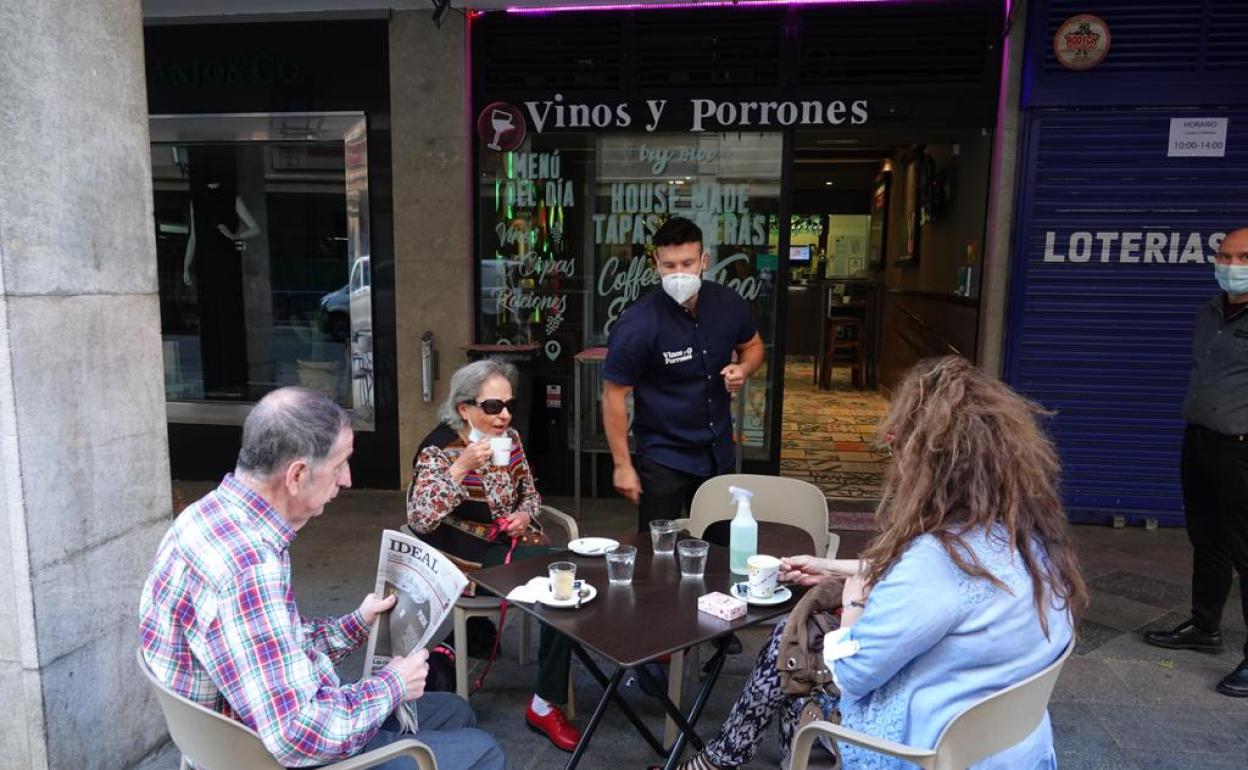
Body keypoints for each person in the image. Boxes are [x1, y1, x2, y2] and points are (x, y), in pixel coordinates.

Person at [670, 357, 1086, 770]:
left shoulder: (936, 560)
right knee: (796, 642)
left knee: (793, 651)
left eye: (895, 444)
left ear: (927, 465)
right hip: (1016, 749)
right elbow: (950, 596)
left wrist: (853, 603)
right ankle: (726, 757)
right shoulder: (1027, 541)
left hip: (924, 755)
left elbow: (853, 674)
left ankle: (731, 759)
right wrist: (836, 568)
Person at [139, 387, 504, 770]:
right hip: (267, 755)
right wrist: (393, 685)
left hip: (244, 729)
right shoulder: (248, 566)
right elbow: (296, 735)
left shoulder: (208, 516)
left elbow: (273, 645)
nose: (347, 480)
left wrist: (356, 623)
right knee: (483, 750)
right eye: (340, 464)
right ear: (297, 475)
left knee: (451, 711)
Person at [407, 358, 581, 751]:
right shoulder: (439, 450)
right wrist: (461, 468)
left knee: (568, 578)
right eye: (492, 406)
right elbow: (419, 518)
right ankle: (546, 703)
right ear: (463, 408)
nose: (504, 415)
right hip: (464, 559)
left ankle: (545, 698)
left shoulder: (511, 440)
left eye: (508, 405)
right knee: (561, 584)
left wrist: (524, 514)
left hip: (511, 546)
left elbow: (531, 495)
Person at [603, 216, 765, 531]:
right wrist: (622, 465)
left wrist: (743, 368)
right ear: (656, 264)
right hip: (664, 457)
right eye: (669, 265)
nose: (679, 273)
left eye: (687, 263)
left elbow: (754, 345)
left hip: (718, 451)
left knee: (720, 545)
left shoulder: (728, 304)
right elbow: (613, 396)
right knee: (657, 552)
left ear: (704, 261)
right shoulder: (637, 324)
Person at [1145, 227, 1248, 697]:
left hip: (1242, 448)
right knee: (1207, 540)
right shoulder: (1209, 313)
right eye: (1225, 255)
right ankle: (1205, 627)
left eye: (1243, 257)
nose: (1230, 264)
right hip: (1201, 442)